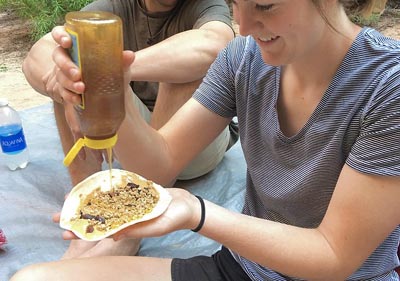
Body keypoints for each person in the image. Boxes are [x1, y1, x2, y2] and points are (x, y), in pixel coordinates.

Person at [12, 0, 400, 280]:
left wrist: (197, 212)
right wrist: (106, 79)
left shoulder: (387, 86)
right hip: (243, 268)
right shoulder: (243, 58)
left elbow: (333, 257)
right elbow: (158, 164)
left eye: (264, 6)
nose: (243, 26)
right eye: (234, 3)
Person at [22, 0, 237, 258]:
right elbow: (37, 55)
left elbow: (216, 45)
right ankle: (92, 210)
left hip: (195, 136)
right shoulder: (112, 8)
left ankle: (131, 225)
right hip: (135, 132)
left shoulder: (204, 6)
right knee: (69, 81)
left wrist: (108, 70)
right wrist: (63, 80)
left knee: (182, 70)